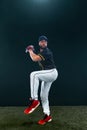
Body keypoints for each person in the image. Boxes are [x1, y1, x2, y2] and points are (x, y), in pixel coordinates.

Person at [24, 35, 58, 125]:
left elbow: (34, 58)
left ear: (47, 43)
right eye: (42, 41)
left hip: (52, 72)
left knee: (34, 75)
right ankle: (47, 116)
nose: (44, 43)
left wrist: (30, 50)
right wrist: (31, 50)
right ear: (39, 43)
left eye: (45, 41)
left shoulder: (47, 52)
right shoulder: (40, 51)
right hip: (47, 74)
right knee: (44, 96)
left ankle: (34, 100)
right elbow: (35, 54)